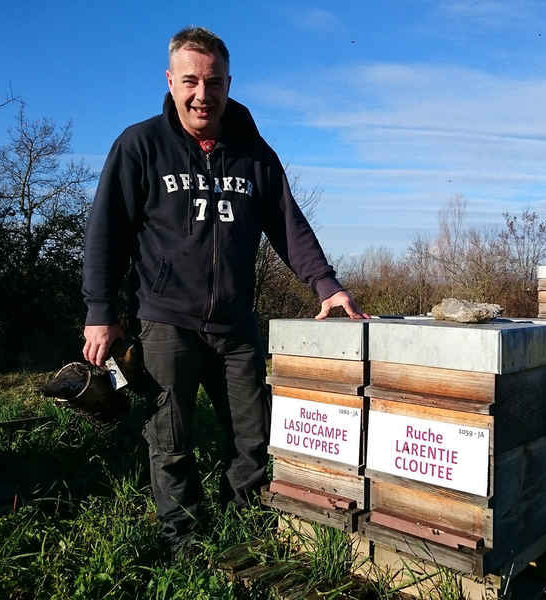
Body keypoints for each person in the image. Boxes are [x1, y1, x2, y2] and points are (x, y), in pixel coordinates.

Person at [81, 26, 367, 551]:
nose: (202, 94)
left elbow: (287, 224)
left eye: (213, 82)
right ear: (170, 81)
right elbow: (106, 232)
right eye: (190, 81)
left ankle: (245, 522)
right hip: (166, 320)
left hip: (236, 323)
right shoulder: (139, 145)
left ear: (229, 83)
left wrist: (325, 285)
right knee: (169, 437)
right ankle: (182, 534)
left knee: (254, 433)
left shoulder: (254, 154)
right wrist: (101, 311)